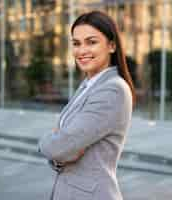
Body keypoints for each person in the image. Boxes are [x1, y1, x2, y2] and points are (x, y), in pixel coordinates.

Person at [38, 10, 135, 200]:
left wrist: (46, 143)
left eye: (91, 42)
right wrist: (61, 153)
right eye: (76, 43)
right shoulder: (88, 85)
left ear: (112, 45)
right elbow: (64, 149)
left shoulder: (112, 90)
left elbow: (60, 145)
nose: (82, 51)